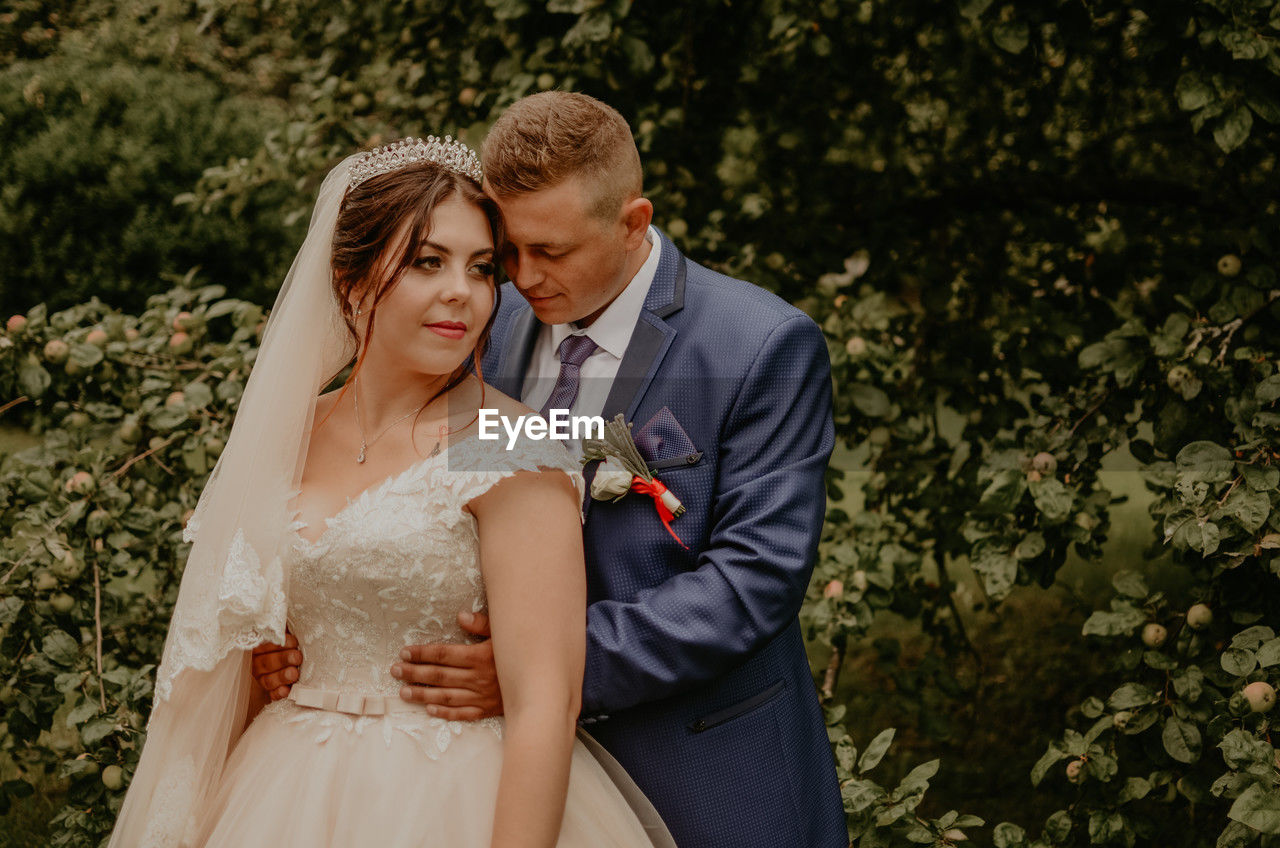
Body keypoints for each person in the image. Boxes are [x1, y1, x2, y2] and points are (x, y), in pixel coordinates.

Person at [256, 93, 847, 847]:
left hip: (698, 757)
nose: (521, 279)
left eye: (552, 252)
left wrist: (546, 669)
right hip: (466, 772)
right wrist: (315, 619)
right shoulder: (474, 316)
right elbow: (403, 477)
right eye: (507, 250)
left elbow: (755, 577)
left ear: (634, 222)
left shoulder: (756, 347)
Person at [108, 137, 675, 847]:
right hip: (279, 791)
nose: (461, 293)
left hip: (451, 797)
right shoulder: (288, 432)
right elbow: (223, 644)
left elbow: (545, 705)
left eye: (480, 269)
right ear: (349, 280)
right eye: (427, 262)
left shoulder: (511, 441)